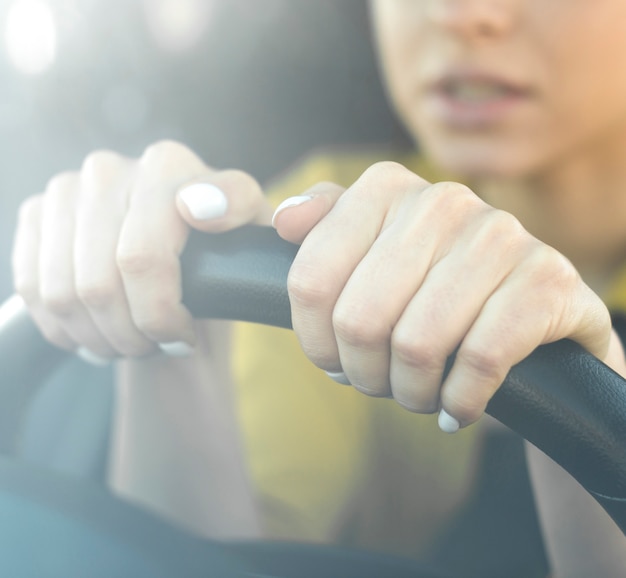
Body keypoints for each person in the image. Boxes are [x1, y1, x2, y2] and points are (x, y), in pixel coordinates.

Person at [10, 1, 626, 576]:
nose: (458, 14)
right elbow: (216, 555)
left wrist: (595, 402)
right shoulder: (317, 229)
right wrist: (172, 318)